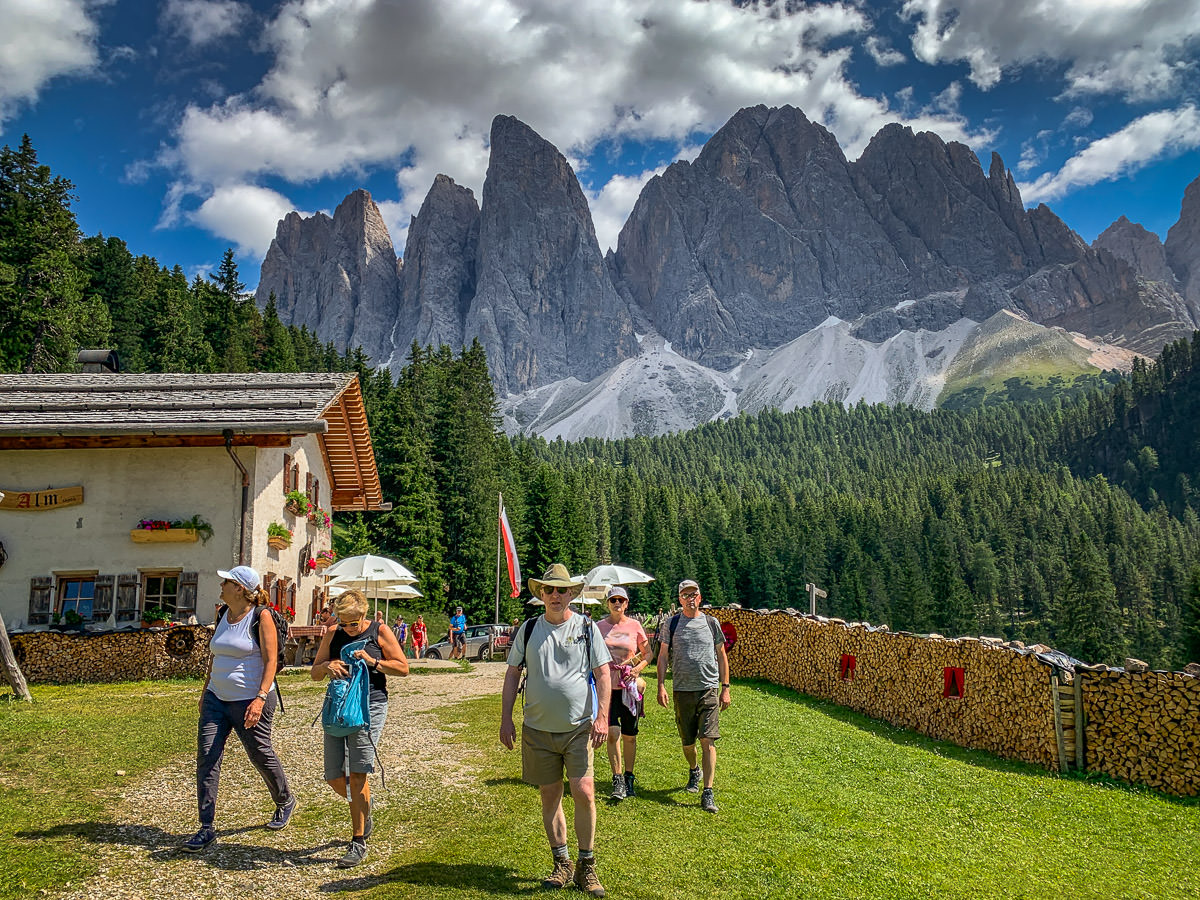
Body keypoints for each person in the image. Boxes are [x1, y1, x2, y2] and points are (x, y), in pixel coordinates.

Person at [500, 564, 612, 897]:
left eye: (562, 590)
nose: (555, 595)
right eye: (549, 590)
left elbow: (604, 675)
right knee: (550, 796)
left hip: (578, 727)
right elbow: (511, 675)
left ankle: (586, 866)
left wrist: (603, 716)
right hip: (537, 729)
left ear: (571, 595)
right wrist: (505, 718)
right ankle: (561, 863)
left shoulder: (587, 628)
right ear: (542, 594)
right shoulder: (530, 628)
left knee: (585, 791)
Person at [183, 565, 296, 852]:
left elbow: (271, 661)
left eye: (227, 582)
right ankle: (206, 827)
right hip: (216, 699)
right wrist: (205, 690)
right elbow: (215, 657)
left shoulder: (262, 617)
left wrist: (259, 698)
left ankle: (284, 799)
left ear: (240, 589)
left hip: (250, 699)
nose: (221, 585)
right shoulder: (222, 614)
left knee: (258, 752)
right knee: (207, 757)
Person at [312, 589, 408, 868]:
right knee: (333, 777)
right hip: (339, 708)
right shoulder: (333, 633)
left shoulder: (379, 631)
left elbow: (403, 668)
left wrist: (374, 662)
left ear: (364, 615)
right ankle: (365, 803)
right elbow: (314, 672)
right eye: (343, 622)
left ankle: (358, 840)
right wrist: (328, 666)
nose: (348, 628)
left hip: (370, 707)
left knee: (357, 774)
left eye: (353, 623)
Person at [656, 579, 731, 814]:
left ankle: (707, 791)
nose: (690, 598)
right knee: (688, 743)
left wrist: (725, 687)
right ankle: (693, 769)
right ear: (679, 599)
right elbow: (663, 656)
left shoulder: (711, 623)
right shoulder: (672, 623)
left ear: (699, 597)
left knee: (707, 739)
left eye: (694, 594)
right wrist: (660, 685)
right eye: (685, 594)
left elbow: (721, 654)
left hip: (708, 688)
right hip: (682, 689)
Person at [596, 585, 649, 801]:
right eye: (613, 600)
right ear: (607, 603)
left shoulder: (635, 626)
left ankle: (629, 777)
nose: (617, 603)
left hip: (629, 687)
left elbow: (648, 653)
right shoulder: (599, 627)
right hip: (608, 688)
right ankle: (617, 778)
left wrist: (637, 669)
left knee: (629, 735)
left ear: (626, 603)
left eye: (620, 600)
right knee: (612, 733)